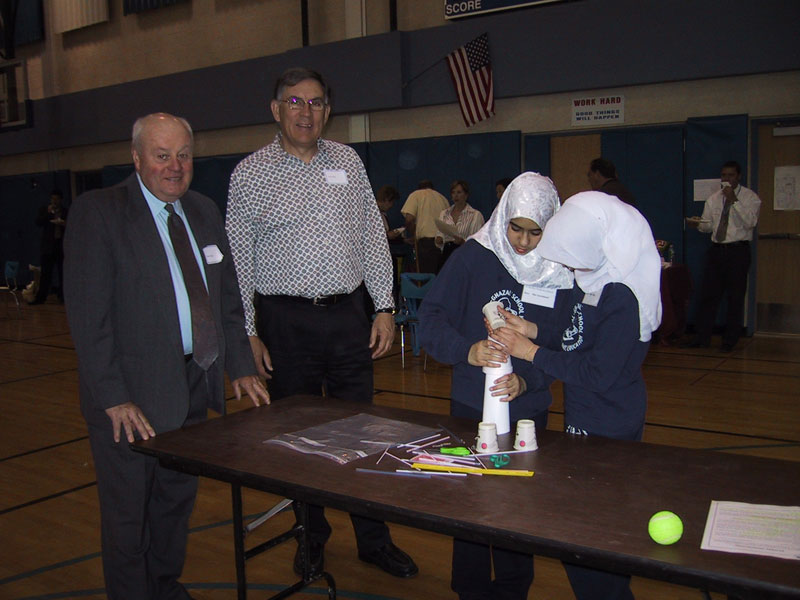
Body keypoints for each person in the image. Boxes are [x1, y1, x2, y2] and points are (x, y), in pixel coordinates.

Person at [63, 113, 270, 600]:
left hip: (194, 388)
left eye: (183, 155)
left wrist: (239, 364)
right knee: (128, 517)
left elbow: (226, 299)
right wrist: (113, 397)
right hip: (130, 400)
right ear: (136, 159)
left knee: (174, 506)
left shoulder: (201, 210)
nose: (175, 167)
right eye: (162, 156)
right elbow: (88, 319)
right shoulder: (100, 213)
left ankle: (164, 587)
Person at [225, 67, 418, 580]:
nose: (306, 112)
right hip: (285, 324)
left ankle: (373, 540)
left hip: (350, 316)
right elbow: (239, 262)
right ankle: (310, 537)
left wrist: (383, 305)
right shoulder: (249, 174)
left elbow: (374, 240)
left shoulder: (349, 163)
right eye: (295, 102)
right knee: (301, 440)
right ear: (276, 109)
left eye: (315, 103)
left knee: (364, 435)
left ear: (327, 110)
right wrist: (248, 330)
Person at [491, 191, 662, 600]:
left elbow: (596, 373)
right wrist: (531, 329)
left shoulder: (621, 296)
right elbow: (575, 340)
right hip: (586, 417)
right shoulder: (592, 280)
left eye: (571, 256)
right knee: (586, 532)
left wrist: (530, 352)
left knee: (592, 534)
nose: (567, 265)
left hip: (610, 424)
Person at [419, 172, 574, 600]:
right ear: (503, 217)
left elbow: (565, 341)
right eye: (516, 229)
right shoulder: (472, 258)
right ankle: (468, 589)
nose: (523, 242)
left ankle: (512, 589)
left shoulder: (559, 267)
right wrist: (466, 350)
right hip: (472, 403)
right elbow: (429, 320)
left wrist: (529, 380)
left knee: (518, 507)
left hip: (529, 408)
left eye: (535, 233)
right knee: (470, 505)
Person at [685, 161, 761, 352]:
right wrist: (698, 224)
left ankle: (730, 341)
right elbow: (709, 226)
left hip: (738, 251)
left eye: (731, 175)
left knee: (735, 297)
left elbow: (750, 222)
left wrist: (734, 201)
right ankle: (702, 337)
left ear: (739, 176)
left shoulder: (751, 198)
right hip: (717, 250)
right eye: (724, 176)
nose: (726, 179)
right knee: (709, 295)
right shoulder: (713, 198)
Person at [400, 179, 450, 273]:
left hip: (426, 244)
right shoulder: (443, 199)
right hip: (443, 244)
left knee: (425, 277)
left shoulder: (416, 195)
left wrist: (413, 234)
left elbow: (409, 219)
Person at [435, 179, 485, 269]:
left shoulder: (475, 215)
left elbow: (477, 240)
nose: (456, 196)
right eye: (453, 193)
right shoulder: (444, 213)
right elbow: (440, 233)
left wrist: (462, 241)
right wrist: (439, 239)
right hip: (447, 254)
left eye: (459, 192)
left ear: (466, 195)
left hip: (465, 255)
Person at [30, 189, 67, 304]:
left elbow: (72, 225)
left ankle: (62, 296)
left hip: (60, 245)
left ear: (61, 200)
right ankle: (41, 297)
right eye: (52, 199)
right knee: (46, 274)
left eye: (56, 199)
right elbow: (38, 222)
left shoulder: (65, 211)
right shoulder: (45, 210)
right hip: (48, 247)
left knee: (63, 273)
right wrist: (48, 213)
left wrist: (64, 224)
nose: (54, 201)